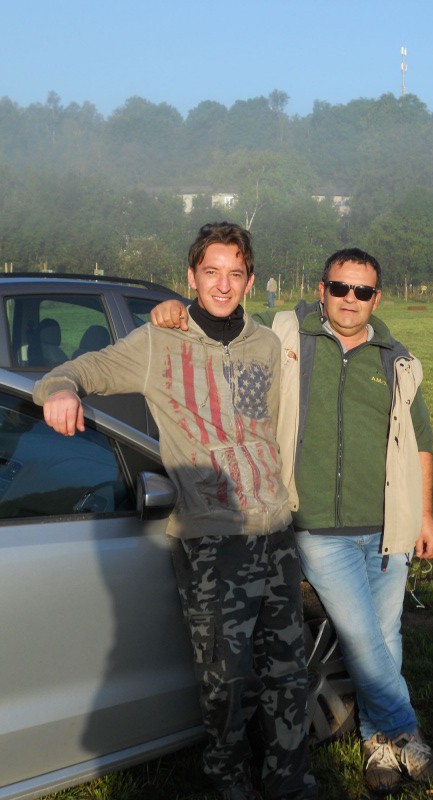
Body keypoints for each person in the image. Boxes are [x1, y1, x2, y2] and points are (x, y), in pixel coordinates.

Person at [33, 222, 317, 800]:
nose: (223, 285)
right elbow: (79, 370)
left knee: (288, 672)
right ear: (191, 276)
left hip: (275, 532)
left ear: (250, 281)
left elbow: (273, 425)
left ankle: (290, 781)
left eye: (235, 274)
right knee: (226, 681)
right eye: (211, 272)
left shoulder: (266, 344)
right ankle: (229, 781)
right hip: (213, 540)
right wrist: (58, 390)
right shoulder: (157, 343)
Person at [151, 248, 433, 794]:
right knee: (361, 637)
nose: (350, 300)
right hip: (316, 527)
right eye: (340, 288)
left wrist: (424, 514)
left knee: (385, 634)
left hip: (389, 527)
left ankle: (378, 745)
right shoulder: (285, 336)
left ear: (377, 298)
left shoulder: (397, 360)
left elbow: (421, 441)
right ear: (321, 289)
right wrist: (176, 311)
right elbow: (225, 324)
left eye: (362, 291)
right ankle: (407, 732)